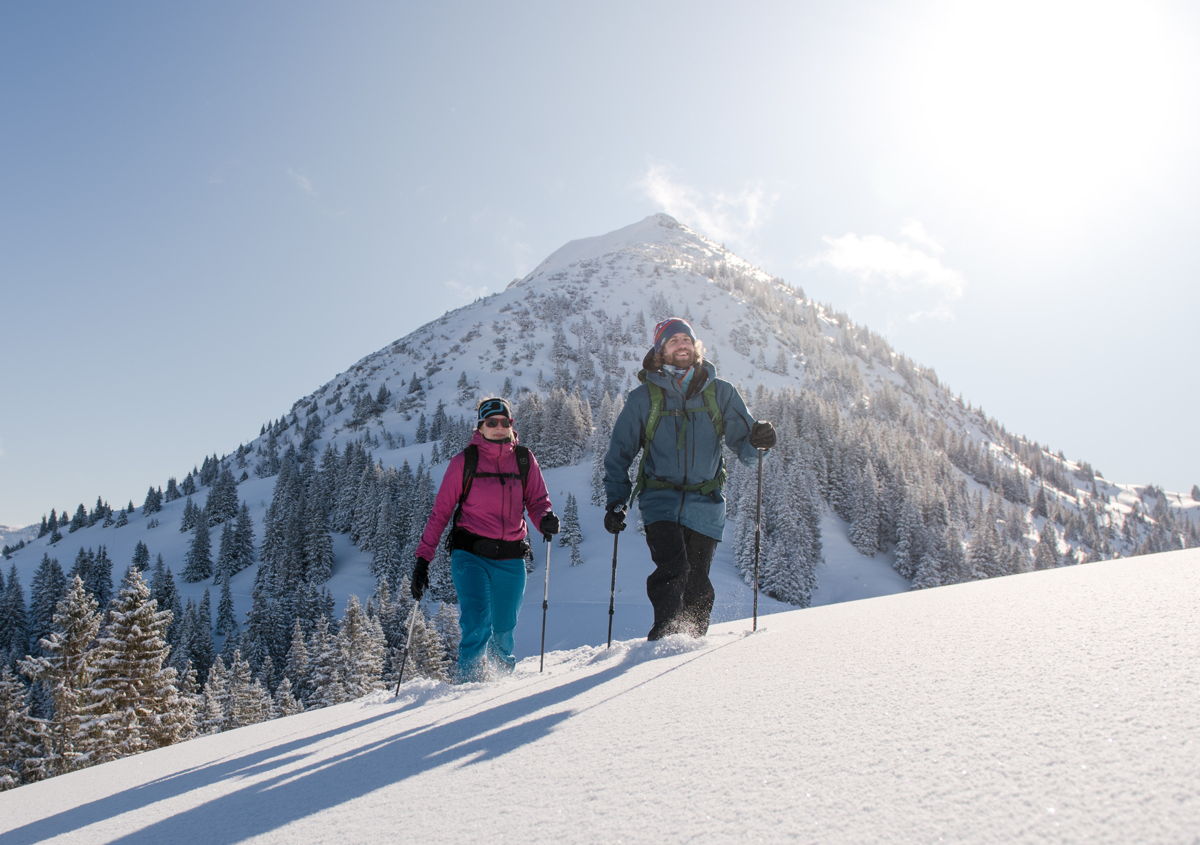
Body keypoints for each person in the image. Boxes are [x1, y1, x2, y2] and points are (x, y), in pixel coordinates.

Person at [603, 317, 776, 640]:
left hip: (706, 502)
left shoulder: (721, 393)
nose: (681, 344)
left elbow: (747, 448)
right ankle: (665, 637)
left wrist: (760, 440)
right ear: (660, 352)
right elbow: (619, 454)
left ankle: (693, 643)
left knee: (698, 579)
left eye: (686, 339)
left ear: (696, 346)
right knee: (673, 569)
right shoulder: (643, 398)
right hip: (659, 501)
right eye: (673, 341)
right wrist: (616, 501)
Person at [413, 397, 558, 681]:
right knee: (477, 623)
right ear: (480, 427)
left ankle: (499, 692)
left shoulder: (524, 459)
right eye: (492, 422)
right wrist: (423, 559)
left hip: (511, 557)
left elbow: (538, 501)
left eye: (504, 422)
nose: (499, 427)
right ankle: (465, 686)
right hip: (470, 554)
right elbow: (441, 512)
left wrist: (545, 519)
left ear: (511, 425)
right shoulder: (465, 461)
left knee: (504, 630)